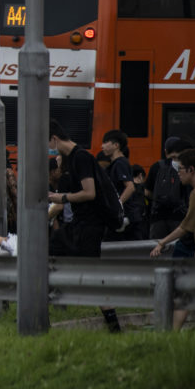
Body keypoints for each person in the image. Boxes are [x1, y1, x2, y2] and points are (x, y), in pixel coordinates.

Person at [46, 119, 121, 332]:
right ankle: (38, 313)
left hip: (89, 226)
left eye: (46, 142)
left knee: (92, 277)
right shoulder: (71, 159)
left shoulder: (81, 157)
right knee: (47, 255)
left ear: (54, 138)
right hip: (81, 225)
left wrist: (62, 197)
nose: (47, 149)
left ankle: (114, 326)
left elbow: (89, 193)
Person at [150, 148, 195, 329]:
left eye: (181, 168)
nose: (178, 173)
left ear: (191, 170)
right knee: (191, 294)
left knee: (185, 295)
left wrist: (162, 242)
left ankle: (177, 333)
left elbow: (186, 226)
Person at [102, 129, 142, 241]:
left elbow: (130, 187)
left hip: (127, 216)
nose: (102, 146)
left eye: (105, 142)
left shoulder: (120, 163)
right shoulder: (117, 164)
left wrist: (117, 204)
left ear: (116, 145)